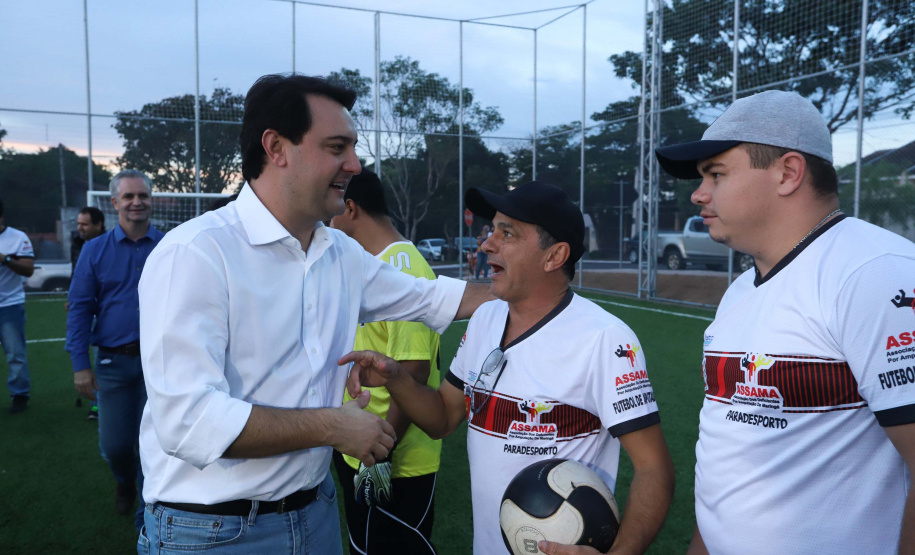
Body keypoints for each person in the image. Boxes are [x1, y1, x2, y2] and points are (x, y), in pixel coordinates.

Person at [136, 74, 491, 555]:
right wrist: (332, 426)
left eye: (352, 147)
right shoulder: (196, 254)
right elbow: (186, 420)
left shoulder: (339, 253)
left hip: (316, 513)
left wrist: (533, 292)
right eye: (336, 147)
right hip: (213, 533)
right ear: (276, 147)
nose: (354, 164)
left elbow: (433, 300)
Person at [342, 181, 675, 555]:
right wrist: (396, 377)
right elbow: (443, 418)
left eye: (507, 233)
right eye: (491, 229)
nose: (487, 243)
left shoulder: (604, 339)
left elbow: (654, 469)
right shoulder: (486, 317)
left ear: (554, 256)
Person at [654, 90, 915, 555]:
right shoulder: (740, 289)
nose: (698, 194)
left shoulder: (874, 272)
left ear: (788, 173)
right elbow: (728, 472)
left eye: (716, 174)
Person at [329, 168, 442, 554]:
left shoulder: (402, 268)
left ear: (350, 207)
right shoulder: (373, 265)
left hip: (393, 459)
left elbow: (414, 371)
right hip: (362, 446)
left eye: (333, 209)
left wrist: (379, 453)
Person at [66, 170, 163, 531]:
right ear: (115, 203)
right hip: (111, 363)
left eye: (143, 195)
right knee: (117, 447)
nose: (137, 202)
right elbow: (79, 309)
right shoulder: (94, 250)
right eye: (129, 197)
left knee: (155, 444)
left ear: (152, 200)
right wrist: (80, 364)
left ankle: (144, 513)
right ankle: (123, 481)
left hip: (159, 363)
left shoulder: (170, 245)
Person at [69, 206, 106, 420]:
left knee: (101, 354)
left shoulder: (107, 246)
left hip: (101, 309)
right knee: (90, 352)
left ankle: (98, 403)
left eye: (84, 224)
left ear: (98, 225)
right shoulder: (78, 244)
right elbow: (77, 275)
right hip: (83, 303)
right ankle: (96, 402)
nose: (79, 228)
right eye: (78, 224)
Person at [0, 200, 35, 414]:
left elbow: (29, 270)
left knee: (15, 353)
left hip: (9, 305)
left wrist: (5, 260)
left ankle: (20, 394)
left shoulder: (17, 238)